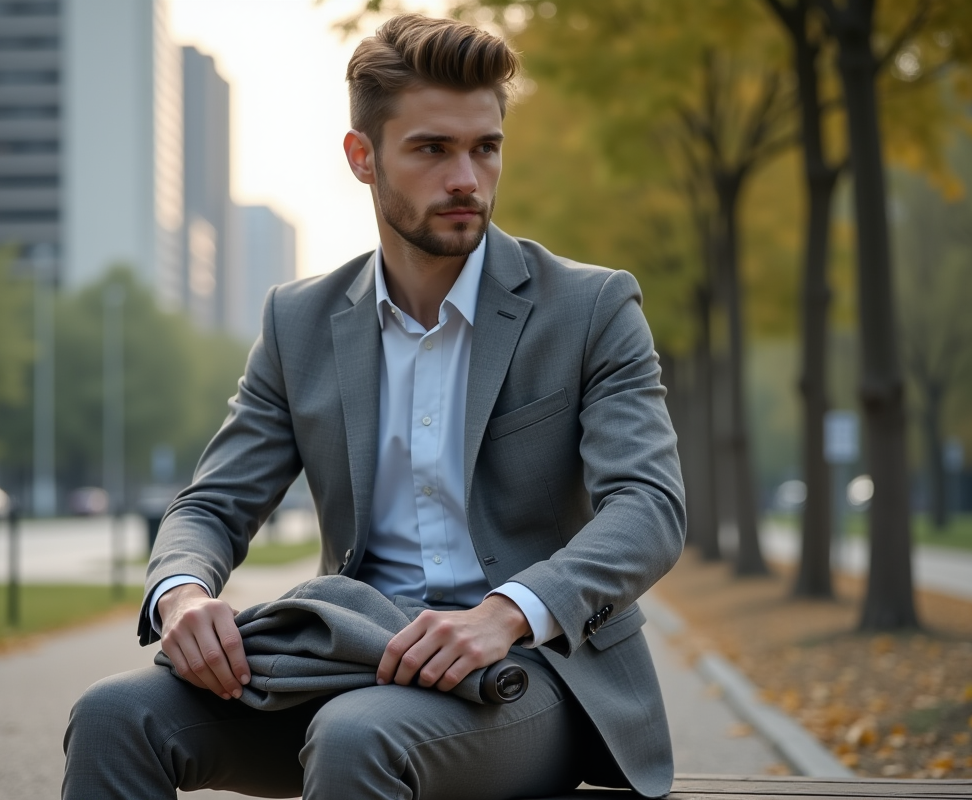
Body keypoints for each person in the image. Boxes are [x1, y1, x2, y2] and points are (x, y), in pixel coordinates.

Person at [63, 14, 685, 800]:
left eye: (485, 148)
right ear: (363, 158)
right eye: (432, 149)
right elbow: (213, 505)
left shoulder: (590, 307)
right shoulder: (300, 321)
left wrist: (505, 613)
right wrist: (183, 593)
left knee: (360, 734)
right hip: (346, 661)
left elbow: (649, 507)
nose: (467, 178)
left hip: (528, 676)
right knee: (114, 715)